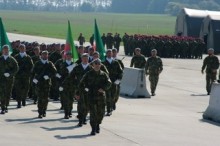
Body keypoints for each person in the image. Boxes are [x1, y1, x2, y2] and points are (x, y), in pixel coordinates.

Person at [77, 58, 112, 135]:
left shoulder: (104, 74)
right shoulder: (88, 74)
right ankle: (93, 128)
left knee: (101, 113)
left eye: (98, 64)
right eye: (95, 64)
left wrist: (103, 88)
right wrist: (84, 89)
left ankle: (98, 124)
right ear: (92, 65)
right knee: (93, 113)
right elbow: (81, 83)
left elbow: (109, 83)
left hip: (101, 97)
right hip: (91, 97)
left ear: (100, 65)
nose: (97, 65)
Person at [32, 51, 57, 118]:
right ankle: (40, 112)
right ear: (41, 55)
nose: (45, 56)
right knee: (40, 98)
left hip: (46, 83)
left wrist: (49, 76)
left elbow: (54, 72)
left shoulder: (50, 63)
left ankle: (44, 111)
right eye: (44, 55)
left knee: (45, 98)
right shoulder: (37, 63)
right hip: (39, 83)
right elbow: (33, 72)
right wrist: (34, 79)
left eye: (46, 55)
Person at [102, 49, 123, 116]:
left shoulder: (116, 63)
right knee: (108, 96)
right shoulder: (103, 63)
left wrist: (119, 79)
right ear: (106, 54)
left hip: (114, 82)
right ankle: (109, 110)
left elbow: (121, 72)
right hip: (107, 83)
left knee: (113, 96)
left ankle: (112, 104)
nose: (109, 54)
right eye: (108, 53)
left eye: (110, 53)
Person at [0, 45, 19, 114]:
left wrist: (10, 74)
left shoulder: (12, 59)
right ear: (2, 50)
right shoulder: (0, 59)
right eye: (4, 49)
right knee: (2, 93)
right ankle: (2, 107)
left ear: (8, 50)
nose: (6, 50)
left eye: (7, 49)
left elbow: (16, 68)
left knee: (8, 93)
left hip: (9, 79)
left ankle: (6, 106)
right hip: (1, 79)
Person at [57, 52, 75, 119]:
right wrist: (59, 84)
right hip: (64, 84)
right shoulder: (62, 64)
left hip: (72, 84)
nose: (68, 57)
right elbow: (59, 74)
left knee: (71, 99)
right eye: (67, 55)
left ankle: (70, 111)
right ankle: (66, 113)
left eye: (70, 55)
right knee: (65, 99)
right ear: (65, 56)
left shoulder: (74, 64)